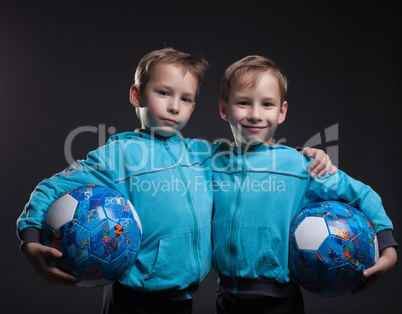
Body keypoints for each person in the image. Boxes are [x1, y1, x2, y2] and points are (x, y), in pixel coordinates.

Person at [16, 48, 334, 314]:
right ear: (137, 94)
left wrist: (302, 156)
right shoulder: (119, 154)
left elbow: (250, 157)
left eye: (185, 99)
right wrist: (30, 239)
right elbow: (53, 187)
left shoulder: (201, 153)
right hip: (134, 297)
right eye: (163, 93)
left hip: (183, 298)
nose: (173, 106)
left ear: (193, 107)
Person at [211, 55, 398, 313]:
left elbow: (362, 194)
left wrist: (387, 247)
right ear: (224, 109)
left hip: (279, 302)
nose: (255, 114)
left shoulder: (301, 165)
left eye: (267, 104)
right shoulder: (214, 164)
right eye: (243, 103)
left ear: (282, 112)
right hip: (226, 299)